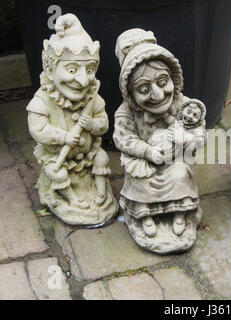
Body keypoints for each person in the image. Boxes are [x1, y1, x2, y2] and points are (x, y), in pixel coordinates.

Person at [113, 28, 205, 240]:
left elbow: (198, 130)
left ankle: (179, 213)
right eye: (144, 90)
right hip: (146, 160)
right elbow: (123, 138)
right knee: (141, 180)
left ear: (172, 78)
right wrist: (147, 152)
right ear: (130, 94)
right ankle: (145, 217)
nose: (157, 94)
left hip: (175, 159)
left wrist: (189, 141)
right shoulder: (125, 113)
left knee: (181, 174)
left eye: (163, 83)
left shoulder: (183, 105)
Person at [27, 14, 111, 210]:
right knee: (57, 173)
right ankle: (71, 199)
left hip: (88, 153)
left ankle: (100, 194)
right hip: (57, 157)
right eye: (72, 70)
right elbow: (38, 130)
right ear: (49, 69)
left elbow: (103, 122)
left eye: (89, 70)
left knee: (102, 158)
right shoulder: (43, 100)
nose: (83, 81)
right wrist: (63, 137)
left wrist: (92, 124)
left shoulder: (93, 97)